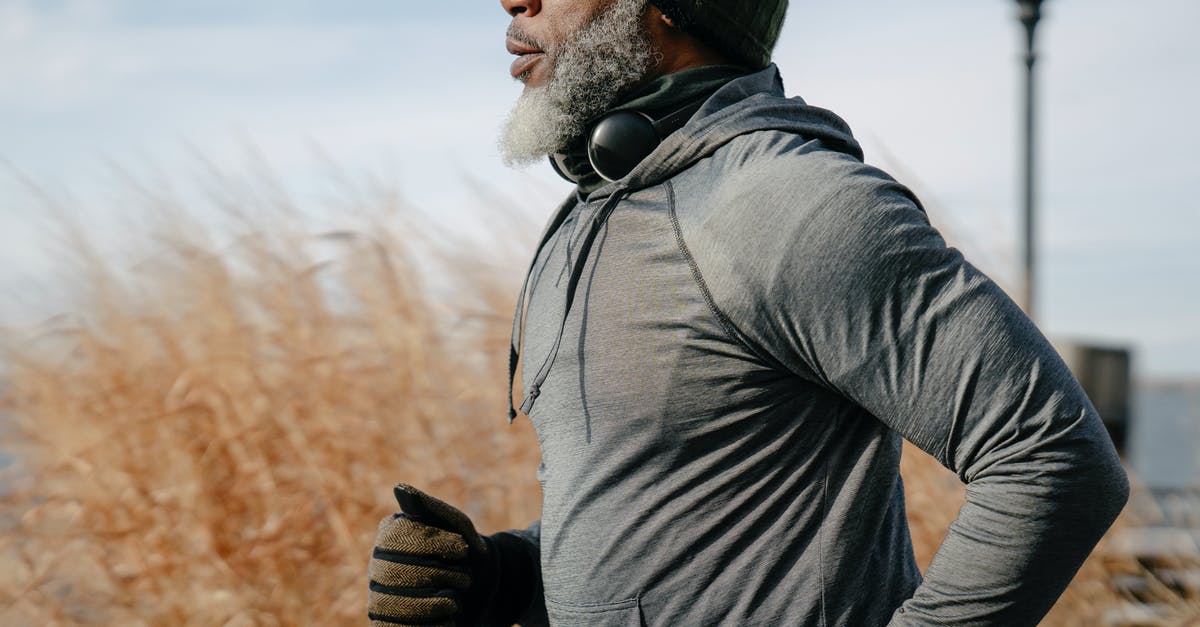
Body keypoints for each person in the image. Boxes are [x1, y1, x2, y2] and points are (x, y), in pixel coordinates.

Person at [367, 1, 1130, 625]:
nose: (512, 0)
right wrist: (499, 575)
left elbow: (1055, 457)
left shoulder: (793, 203)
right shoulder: (594, 215)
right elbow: (665, 518)